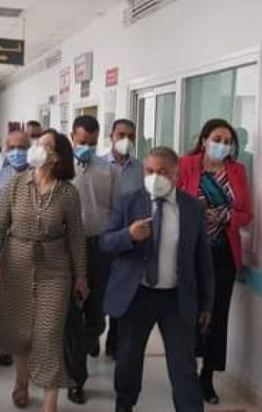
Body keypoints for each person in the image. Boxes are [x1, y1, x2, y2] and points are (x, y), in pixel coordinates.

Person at [100, 146, 214, 412]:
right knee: (128, 360)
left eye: (162, 172)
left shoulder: (193, 208)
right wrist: (129, 235)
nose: (155, 177)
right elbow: (105, 242)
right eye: (150, 171)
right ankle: (124, 405)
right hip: (137, 295)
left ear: (176, 173)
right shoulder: (128, 202)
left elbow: (203, 260)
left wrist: (207, 304)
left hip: (176, 298)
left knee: (183, 365)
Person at [0, 129, 88, 412]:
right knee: (21, 331)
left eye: (46, 145)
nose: (37, 148)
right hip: (15, 264)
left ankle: (50, 403)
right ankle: (21, 383)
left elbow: (76, 237)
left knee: (48, 333)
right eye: (38, 143)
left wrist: (81, 275)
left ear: (57, 157)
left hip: (55, 269)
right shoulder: (16, 184)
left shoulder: (68, 193)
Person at [177, 118, 253, 405]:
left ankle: (206, 377)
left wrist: (226, 216)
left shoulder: (237, 171)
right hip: (190, 252)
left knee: (217, 317)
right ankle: (184, 372)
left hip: (223, 254)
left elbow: (246, 214)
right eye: (217, 139)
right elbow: (172, 203)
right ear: (204, 140)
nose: (222, 145)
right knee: (187, 314)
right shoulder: (186, 165)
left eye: (228, 141)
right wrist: (198, 212)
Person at [67, 115, 120, 405]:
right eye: (82, 141)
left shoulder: (109, 170)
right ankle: (76, 379)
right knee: (72, 317)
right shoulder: (61, 169)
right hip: (68, 249)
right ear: (72, 138)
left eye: (92, 142)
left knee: (98, 318)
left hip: (100, 249)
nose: (87, 147)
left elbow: (117, 210)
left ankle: (86, 344)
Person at [0, 130, 30, 368]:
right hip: (4, 245)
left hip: (32, 247)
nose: (17, 152)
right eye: (12, 148)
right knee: (1, 299)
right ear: (5, 148)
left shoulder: (40, 175)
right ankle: (4, 345)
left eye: (22, 147)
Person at [102, 119, 144, 358]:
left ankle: (115, 341)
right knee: (100, 289)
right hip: (103, 236)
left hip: (129, 238)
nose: (126, 140)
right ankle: (94, 332)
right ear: (111, 136)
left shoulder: (141, 169)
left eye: (130, 136)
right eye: (121, 135)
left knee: (122, 289)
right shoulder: (99, 165)